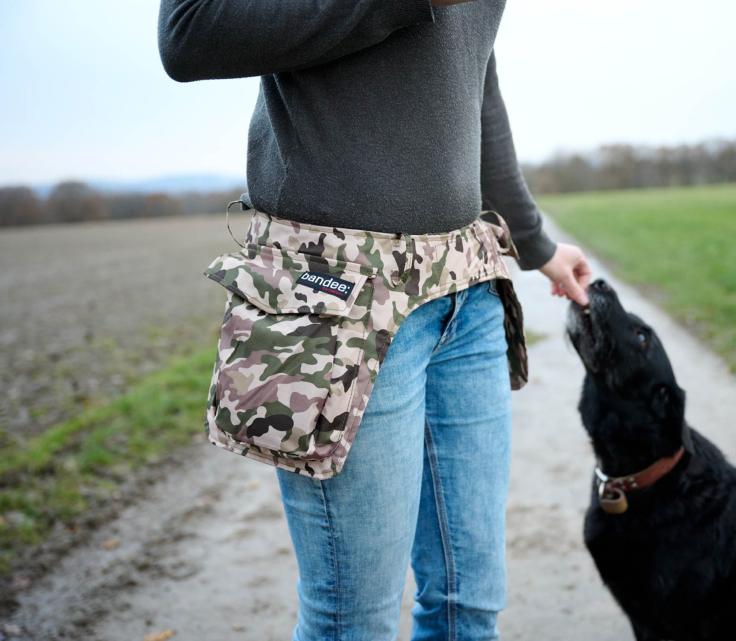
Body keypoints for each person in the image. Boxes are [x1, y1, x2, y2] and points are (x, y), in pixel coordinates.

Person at [157, 1, 591, 639]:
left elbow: (475, 83)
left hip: (468, 287)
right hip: (340, 297)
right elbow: (189, 31)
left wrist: (536, 244)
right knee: (352, 620)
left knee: (468, 604)